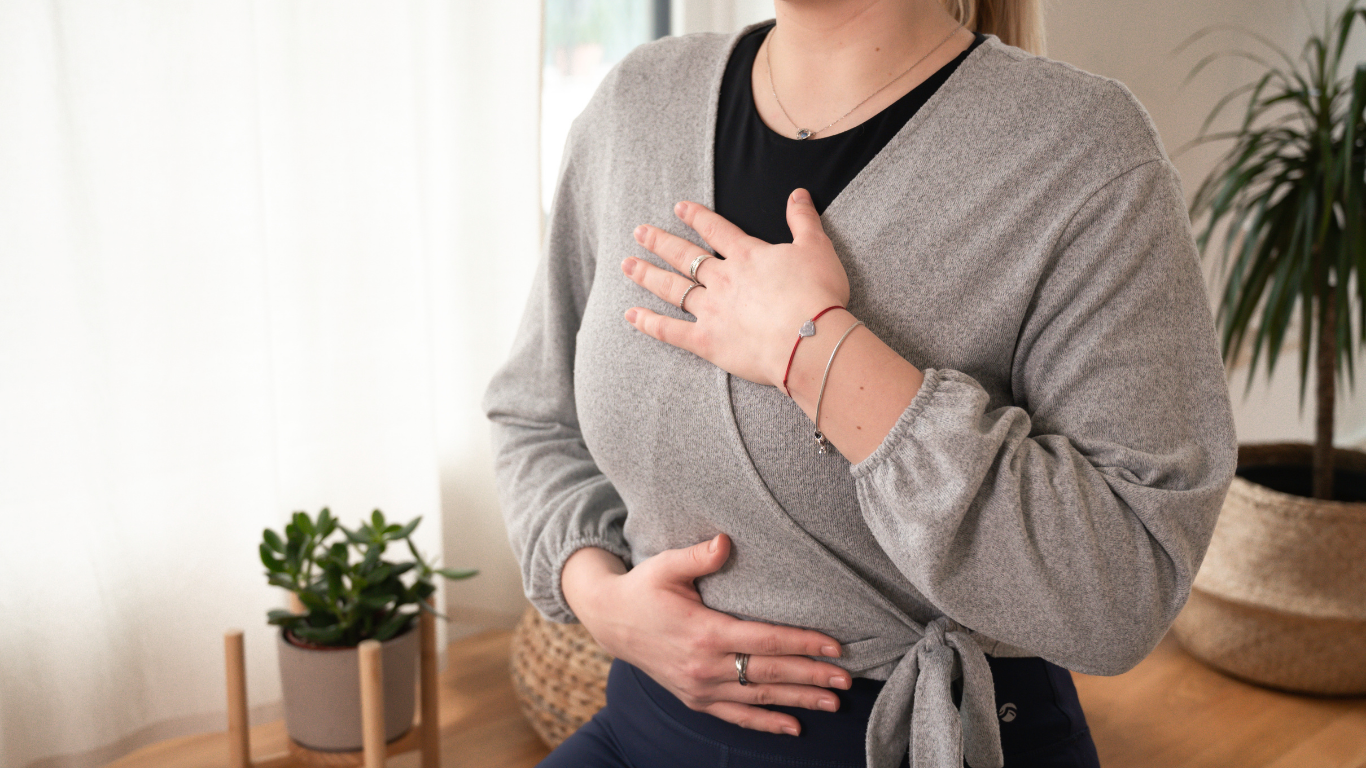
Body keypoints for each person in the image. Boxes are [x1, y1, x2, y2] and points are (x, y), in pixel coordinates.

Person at [483, 0, 1239, 765]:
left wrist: (816, 356)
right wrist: (598, 598)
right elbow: (532, 416)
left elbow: (1122, 593)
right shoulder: (635, 103)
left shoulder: (1086, 154)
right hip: (641, 729)